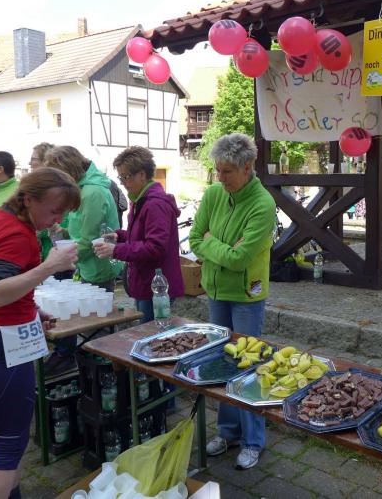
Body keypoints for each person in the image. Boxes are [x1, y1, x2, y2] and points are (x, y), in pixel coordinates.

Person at [0, 167, 80, 499]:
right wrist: (50, 266)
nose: (57, 220)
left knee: (9, 442)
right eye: (54, 211)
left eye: (63, 213)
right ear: (28, 199)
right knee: (6, 451)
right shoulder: (18, 235)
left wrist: (30, 311)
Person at [190, 133, 275, 470]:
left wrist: (211, 244)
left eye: (227, 171)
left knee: (248, 366)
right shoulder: (214, 194)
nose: (220, 178)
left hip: (246, 296)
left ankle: (254, 440)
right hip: (216, 291)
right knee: (222, 362)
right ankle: (228, 432)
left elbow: (240, 260)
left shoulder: (263, 204)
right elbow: (194, 238)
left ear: (248, 166)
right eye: (218, 170)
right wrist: (217, 246)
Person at [93, 146, 183, 323]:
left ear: (141, 174)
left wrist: (115, 250)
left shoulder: (154, 204)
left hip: (156, 286)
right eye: (120, 177)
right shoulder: (141, 200)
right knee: (147, 330)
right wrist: (120, 236)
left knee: (152, 333)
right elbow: (143, 236)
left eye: (125, 177)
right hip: (146, 282)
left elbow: (155, 247)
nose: (122, 183)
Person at [44, 146, 121, 291]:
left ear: (67, 170)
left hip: (98, 270)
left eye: (57, 177)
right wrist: (64, 232)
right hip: (87, 267)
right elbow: (82, 229)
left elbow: (90, 239)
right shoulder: (82, 188)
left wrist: (59, 262)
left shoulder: (92, 193)